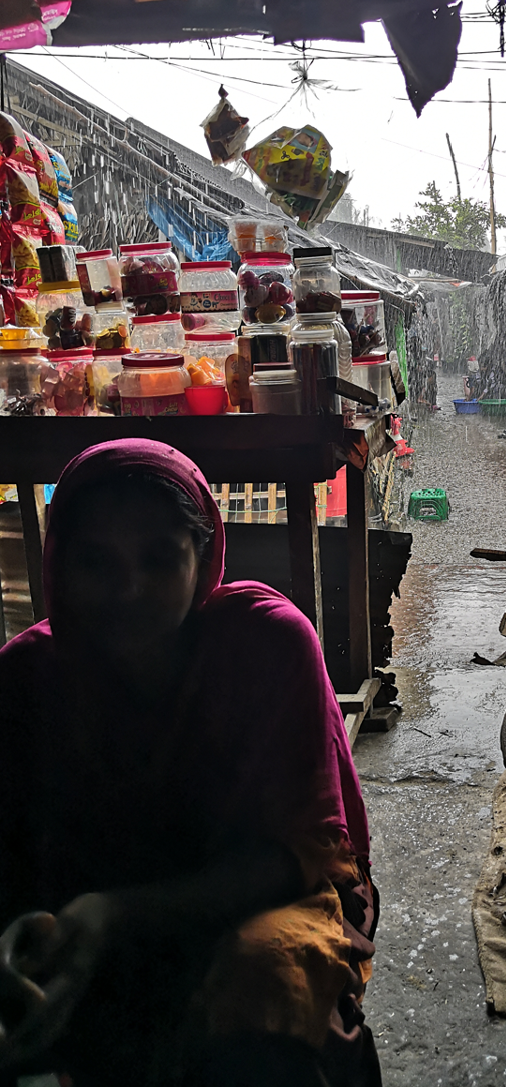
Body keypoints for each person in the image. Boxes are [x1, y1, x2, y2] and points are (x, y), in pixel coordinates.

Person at [0, 439, 381, 1087]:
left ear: (203, 557)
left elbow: (299, 857)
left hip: (261, 894)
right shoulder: (28, 677)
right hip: (76, 911)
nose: (129, 590)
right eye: (96, 563)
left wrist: (118, 915)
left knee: (268, 982)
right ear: (59, 567)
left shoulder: (265, 643)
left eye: (158, 559)